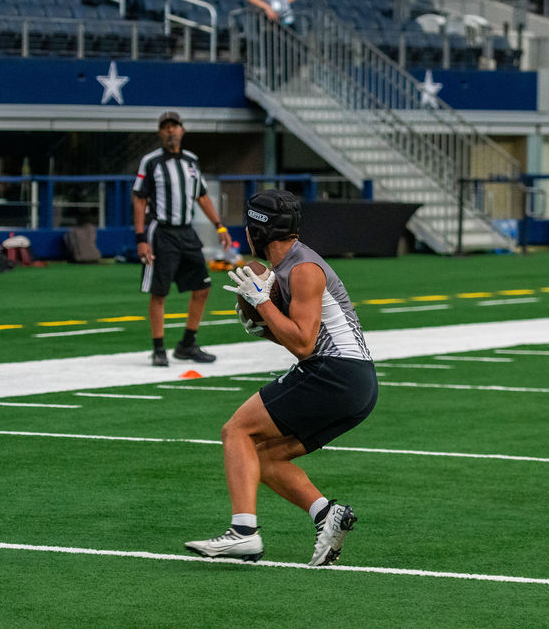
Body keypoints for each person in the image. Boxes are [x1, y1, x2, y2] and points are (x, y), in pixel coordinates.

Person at [185, 190, 377, 565]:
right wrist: (264, 327)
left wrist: (263, 304)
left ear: (258, 230)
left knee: (236, 431)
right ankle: (327, 514)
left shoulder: (302, 268)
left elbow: (304, 344)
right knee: (265, 457)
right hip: (354, 382)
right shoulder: (293, 264)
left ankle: (243, 533)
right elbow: (298, 338)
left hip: (335, 373)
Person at [133, 111, 232, 367]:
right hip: (162, 233)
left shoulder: (191, 160)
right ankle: (158, 348)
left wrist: (220, 226)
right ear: (160, 132)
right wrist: (141, 238)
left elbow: (202, 195)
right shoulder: (151, 162)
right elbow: (139, 199)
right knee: (159, 292)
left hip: (187, 232)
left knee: (202, 287)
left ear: (182, 130)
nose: (170, 131)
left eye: (174, 126)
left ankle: (187, 344)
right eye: (165, 127)